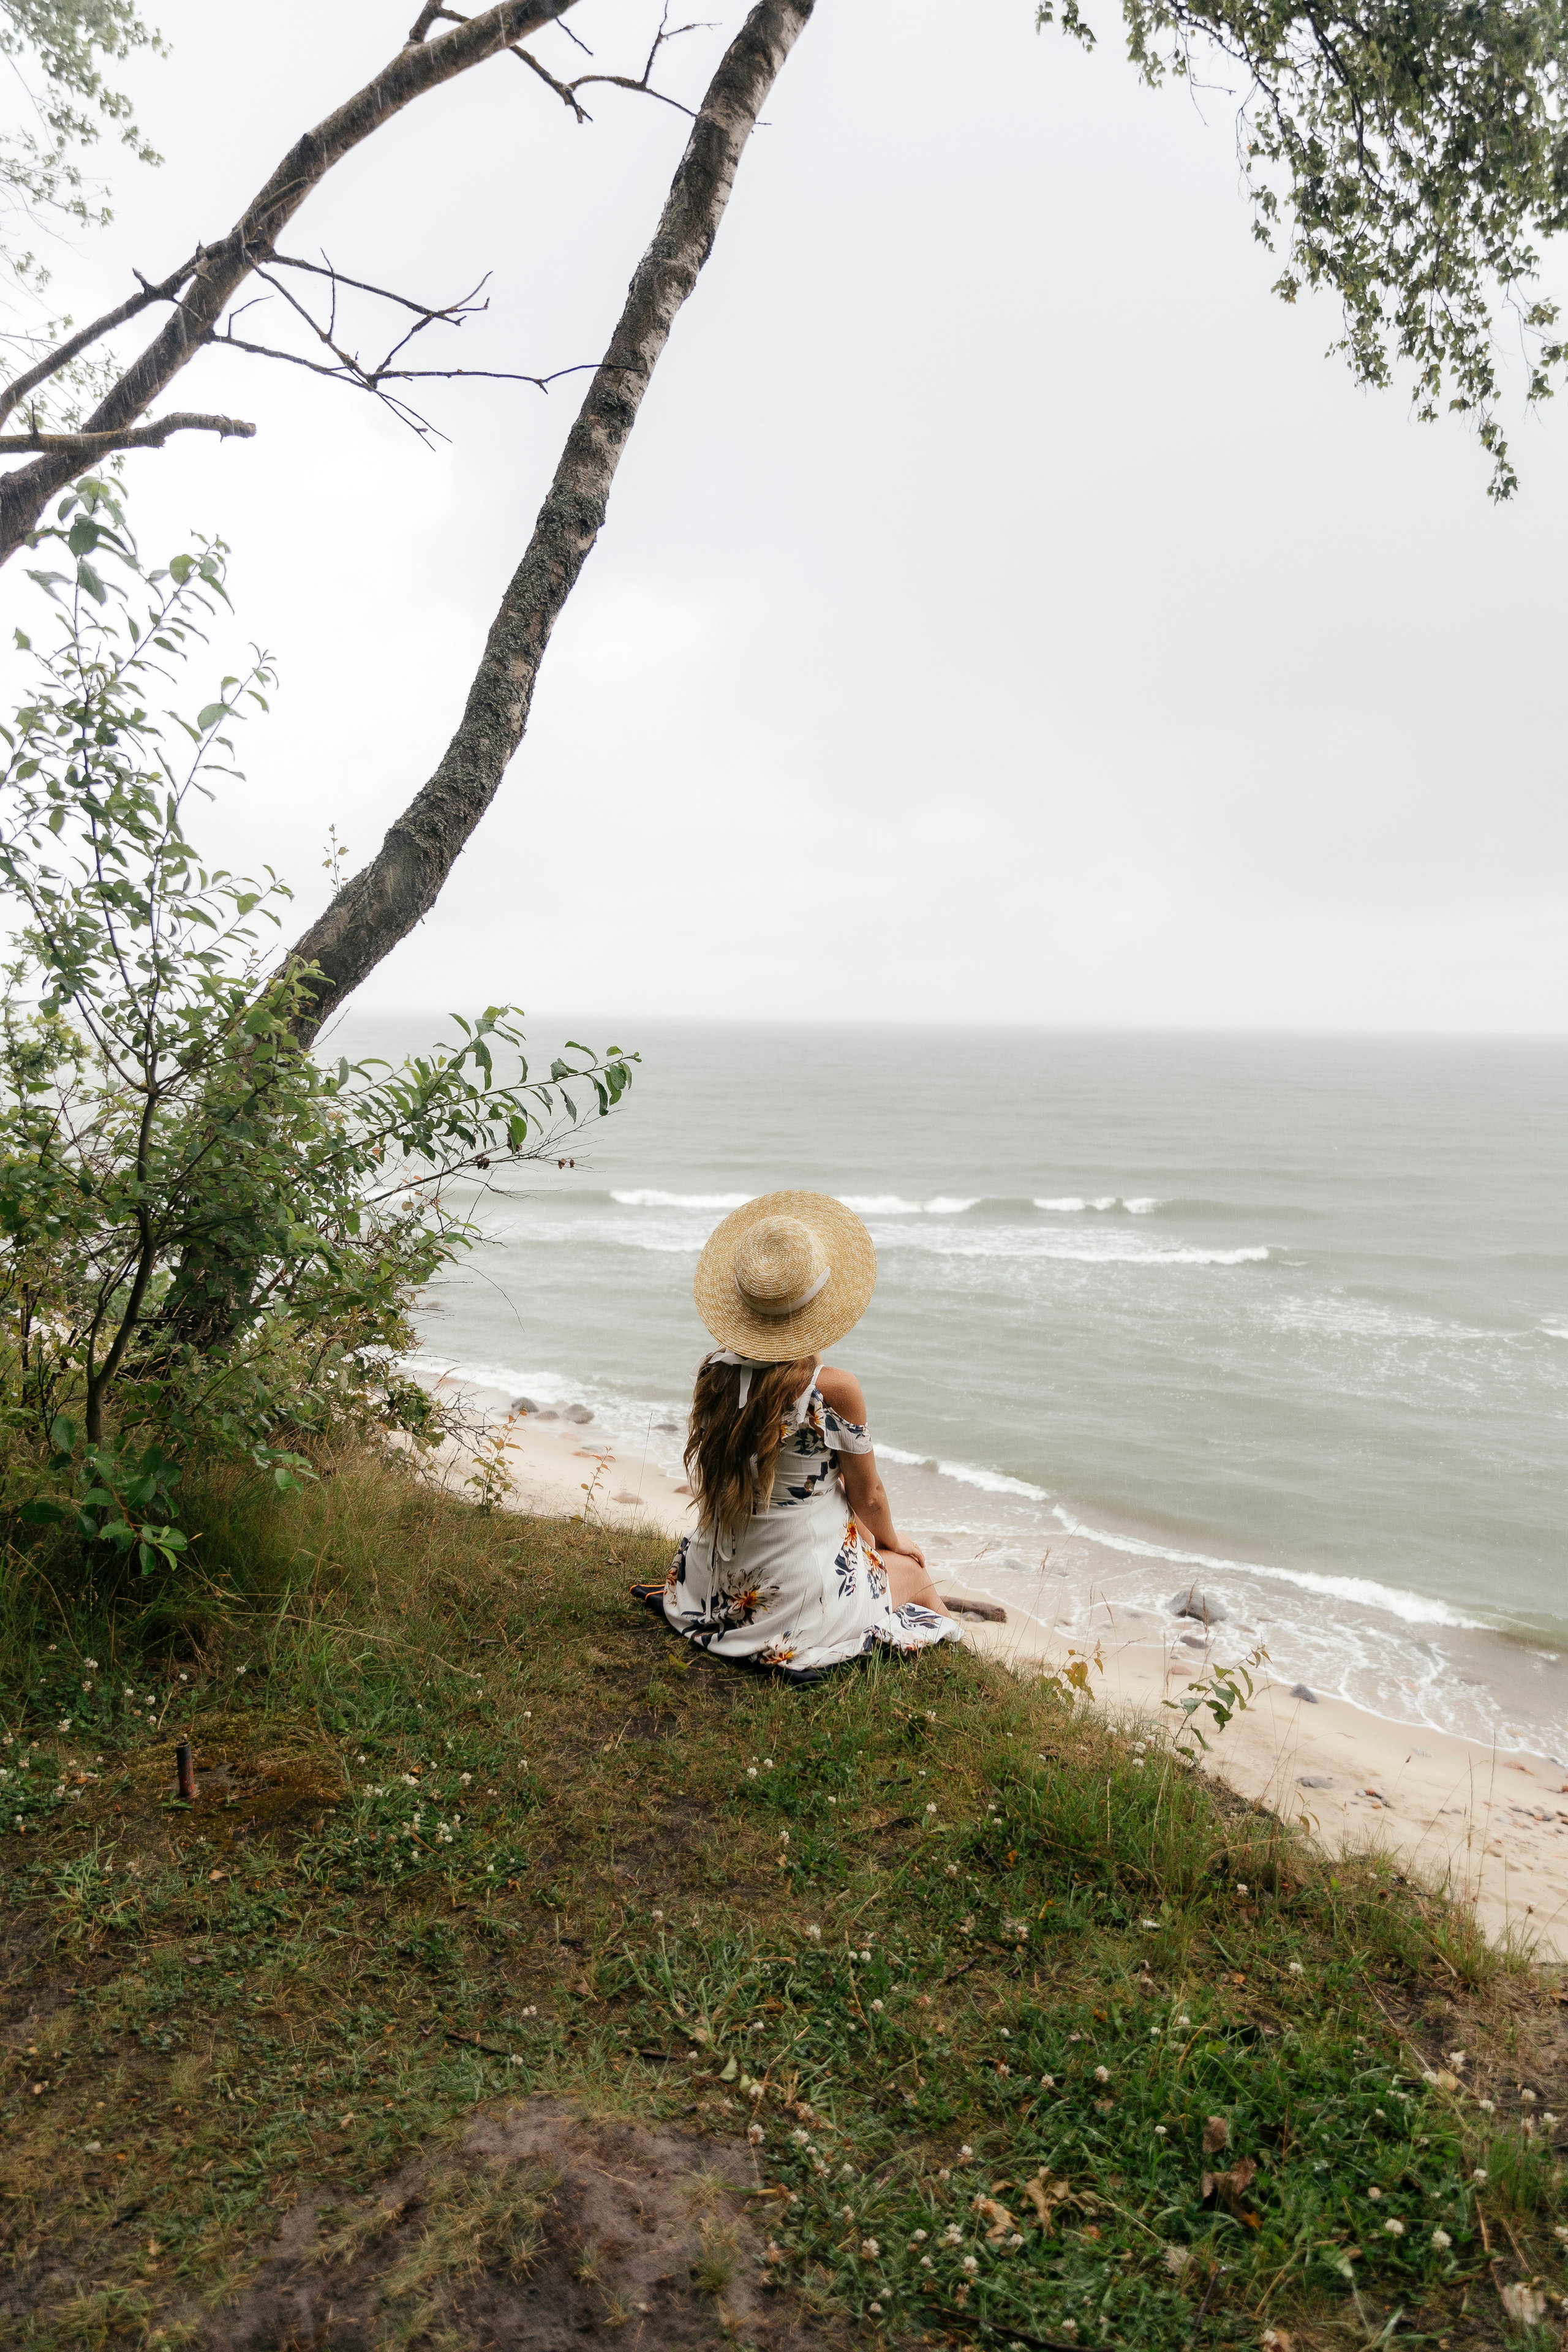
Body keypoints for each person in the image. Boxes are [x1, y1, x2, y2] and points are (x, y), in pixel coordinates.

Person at [662, 1190, 960, 1678]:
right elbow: (869, 1497)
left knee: (877, 1552)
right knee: (915, 1573)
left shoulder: (714, 1371)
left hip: (708, 1580)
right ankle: (957, 1658)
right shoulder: (832, 1390)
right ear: (821, 1305)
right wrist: (894, 1542)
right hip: (797, 1596)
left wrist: (873, 1541)